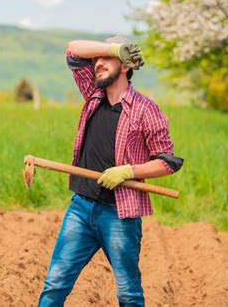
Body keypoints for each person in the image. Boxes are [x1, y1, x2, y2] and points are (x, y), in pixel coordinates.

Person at [38, 35, 183, 306]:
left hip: (119, 215)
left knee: (128, 294)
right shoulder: (93, 94)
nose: (97, 64)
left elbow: (168, 162)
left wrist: (128, 171)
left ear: (126, 66)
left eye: (107, 59)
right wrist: (112, 49)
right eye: (97, 59)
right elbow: (72, 51)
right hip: (81, 208)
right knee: (55, 285)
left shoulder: (146, 110)